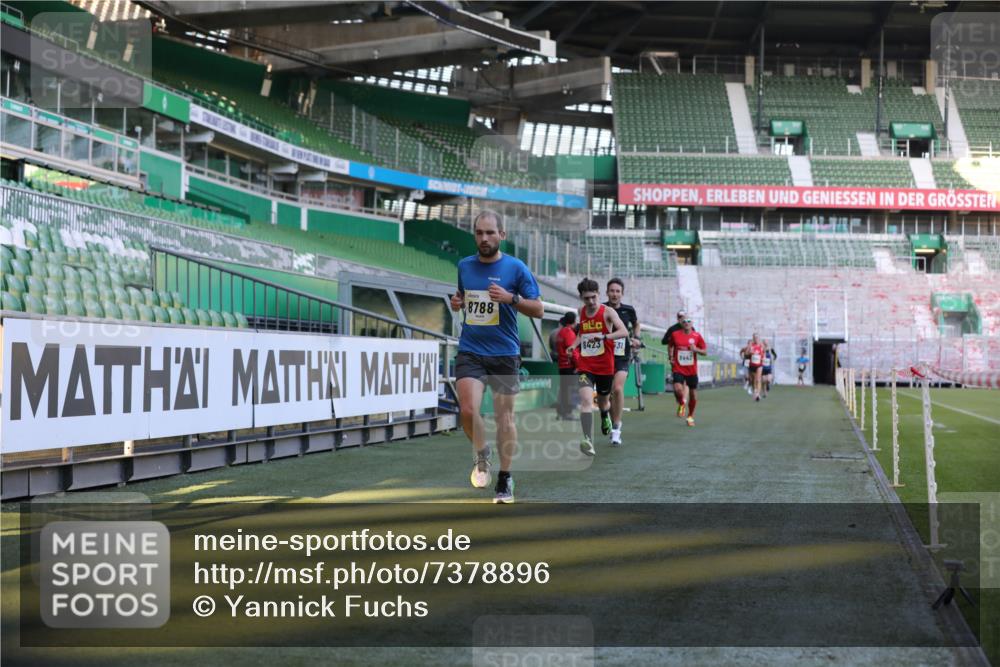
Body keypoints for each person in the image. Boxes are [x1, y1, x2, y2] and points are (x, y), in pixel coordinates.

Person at [451, 210, 543, 504]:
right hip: (471, 350)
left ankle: (505, 478)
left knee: (505, 418)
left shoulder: (516, 269)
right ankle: (482, 454)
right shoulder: (464, 266)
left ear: (502, 235)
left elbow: (538, 309)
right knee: (467, 410)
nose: (484, 238)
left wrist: (511, 298)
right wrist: (458, 302)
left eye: (490, 233)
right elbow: (463, 297)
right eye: (479, 233)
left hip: (505, 353)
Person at [566, 278, 628, 455]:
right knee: (585, 401)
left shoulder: (608, 312)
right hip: (586, 365)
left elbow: (623, 331)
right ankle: (587, 440)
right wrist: (574, 344)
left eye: (594, 297)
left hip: (605, 366)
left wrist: (605, 337)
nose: (591, 302)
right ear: (581, 298)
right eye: (587, 298)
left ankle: (604, 415)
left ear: (599, 294)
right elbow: (582, 333)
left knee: (603, 401)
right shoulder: (581, 311)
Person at [604, 278, 641, 446]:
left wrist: (636, 337)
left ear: (622, 294)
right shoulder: (601, 309)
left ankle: (617, 428)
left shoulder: (628, 310)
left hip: (622, 356)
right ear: (607, 292)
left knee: (617, 389)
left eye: (617, 291)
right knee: (607, 394)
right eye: (612, 290)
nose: (614, 294)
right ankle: (612, 423)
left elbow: (636, 324)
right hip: (603, 356)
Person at [666, 316, 707, 427]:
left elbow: (704, 352)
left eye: (689, 321)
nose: (686, 323)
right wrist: (670, 356)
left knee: (693, 395)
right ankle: (682, 402)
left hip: (691, 370)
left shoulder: (697, 336)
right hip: (678, 367)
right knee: (677, 389)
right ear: (680, 323)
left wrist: (696, 349)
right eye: (684, 321)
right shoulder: (675, 335)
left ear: (692, 323)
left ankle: (690, 417)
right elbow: (670, 346)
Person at [662, 310, 689, 416]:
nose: (682, 319)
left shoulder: (690, 328)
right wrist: (671, 355)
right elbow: (664, 341)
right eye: (680, 317)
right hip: (676, 361)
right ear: (678, 318)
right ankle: (680, 400)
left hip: (688, 361)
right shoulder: (672, 329)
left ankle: (683, 403)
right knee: (677, 387)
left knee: (686, 383)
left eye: (684, 316)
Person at [554, 311, 577, 420]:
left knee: (563, 389)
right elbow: (571, 351)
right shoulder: (570, 333)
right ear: (574, 320)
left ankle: (560, 412)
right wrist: (578, 365)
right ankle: (568, 413)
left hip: (562, 365)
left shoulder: (560, 332)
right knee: (569, 390)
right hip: (569, 366)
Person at [742, 334, 766, 402]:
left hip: (759, 365)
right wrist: (749, 352)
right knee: (752, 380)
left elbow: (764, 353)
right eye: (755, 338)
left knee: (758, 379)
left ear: (759, 338)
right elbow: (746, 354)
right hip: (752, 365)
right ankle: (755, 390)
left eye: (757, 338)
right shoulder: (751, 345)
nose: (756, 339)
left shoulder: (761, 345)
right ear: (753, 338)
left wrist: (763, 357)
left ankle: (757, 394)